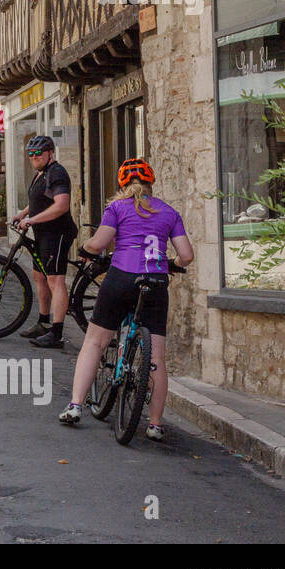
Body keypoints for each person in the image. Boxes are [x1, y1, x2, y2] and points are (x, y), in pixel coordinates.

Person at [59, 159, 195, 440]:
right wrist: (172, 262)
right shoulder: (169, 212)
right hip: (156, 281)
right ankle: (155, 424)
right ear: (150, 184)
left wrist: (86, 248)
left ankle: (75, 406)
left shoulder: (117, 208)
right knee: (156, 357)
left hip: (121, 277)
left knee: (95, 341)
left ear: (122, 184)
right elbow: (187, 256)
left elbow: (98, 244)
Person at [10, 134, 78, 349]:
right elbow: (39, 201)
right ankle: (43, 322)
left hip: (56, 233)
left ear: (50, 153)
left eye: (38, 153)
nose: (34, 156)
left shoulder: (57, 172)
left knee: (55, 280)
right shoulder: (42, 173)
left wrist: (31, 220)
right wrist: (23, 213)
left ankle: (56, 333)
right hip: (42, 233)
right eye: (31, 153)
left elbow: (61, 205)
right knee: (39, 276)